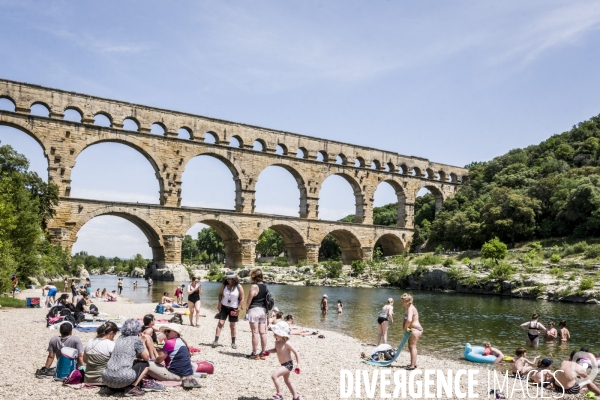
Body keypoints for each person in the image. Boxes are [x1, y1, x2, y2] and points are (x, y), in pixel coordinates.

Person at [102, 318, 164, 396]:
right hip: (123, 377)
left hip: (107, 378)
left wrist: (135, 359)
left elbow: (122, 355)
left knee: (132, 363)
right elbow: (146, 357)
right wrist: (143, 342)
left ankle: (113, 388)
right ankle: (131, 388)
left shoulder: (120, 338)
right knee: (145, 364)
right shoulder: (136, 339)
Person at [147, 324, 201, 388]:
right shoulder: (181, 341)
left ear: (176, 333)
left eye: (168, 331)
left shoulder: (170, 342)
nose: (166, 333)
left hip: (175, 375)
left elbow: (158, 360)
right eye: (165, 331)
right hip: (186, 374)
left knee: (146, 364)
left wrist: (153, 358)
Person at [265, 321, 301, 400]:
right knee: (287, 381)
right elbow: (276, 350)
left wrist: (298, 364)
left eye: (275, 334)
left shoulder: (287, 343)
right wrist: (268, 352)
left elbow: (296, 352)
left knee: (274, 376)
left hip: (288, 364)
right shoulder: (277, 342)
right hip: (283, 364)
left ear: (281, 334)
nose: (274, 335)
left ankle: (279, 394)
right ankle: (296, 397)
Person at [213, 270, 245, 349]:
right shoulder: (224, 285)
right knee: (220, 323)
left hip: (233, 308)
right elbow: (220, 294)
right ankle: (216, 340)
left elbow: (242, 299)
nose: (228, 280)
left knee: (232, 326)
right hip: (224, 306)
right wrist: (219, 303)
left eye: (230, 279)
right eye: (227, 279)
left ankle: (233, 343)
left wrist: (239, 309)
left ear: (234, 278)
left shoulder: (239, 286)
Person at [246, 268, 269, 359]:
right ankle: (263, 353)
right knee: (263, 333)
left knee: (255, 332)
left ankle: (254, 353)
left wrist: (247, 309)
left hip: (254, 310)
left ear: (253, 276)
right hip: (263, 311)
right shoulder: (265, 286)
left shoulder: (254, 287)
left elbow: (249, 300)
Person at [402, 293, 423, 370]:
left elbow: (409, 320)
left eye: (404, 301)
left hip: (416, 329)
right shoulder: (408, 308)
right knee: (410, 347)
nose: (403, 303)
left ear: (408, 301)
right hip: (414, 329)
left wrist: (405, 328)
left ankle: (412, 366)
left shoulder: (410, 308)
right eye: (402, 301)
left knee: (412, 347)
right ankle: (413, 363)